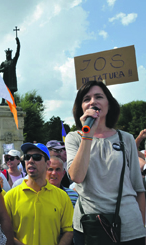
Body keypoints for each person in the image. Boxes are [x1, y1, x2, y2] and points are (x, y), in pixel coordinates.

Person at [66, 80, 146, 244]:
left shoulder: (126, 138)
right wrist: (88, 134)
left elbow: (139, 188)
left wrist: (142, 224)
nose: (92, 102)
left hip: (129, 227)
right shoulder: (74, 138)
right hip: (90, 226)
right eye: (86, 98)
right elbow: (77, 176)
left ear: (109, 104)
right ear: (81, 107)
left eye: (98, 97)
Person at [5, 142, 73, 245]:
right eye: (27, 157)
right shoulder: (11, 196)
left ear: (48, 163)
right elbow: (4, 231)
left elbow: (69, 230)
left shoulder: (62, 196)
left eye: (36, 157)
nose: (31, 161)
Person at [0, 37, 20, 105]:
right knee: (4, 90)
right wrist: (2, 69)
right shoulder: (3, 63)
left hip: (12, 79)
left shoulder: (13, 61)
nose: (8, 55)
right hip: (5, 79)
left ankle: (12, 102)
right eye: (7, 54)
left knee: (11, 91)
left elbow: (18, 52)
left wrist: (18, 43)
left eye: (9, 54)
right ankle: (3, 102)